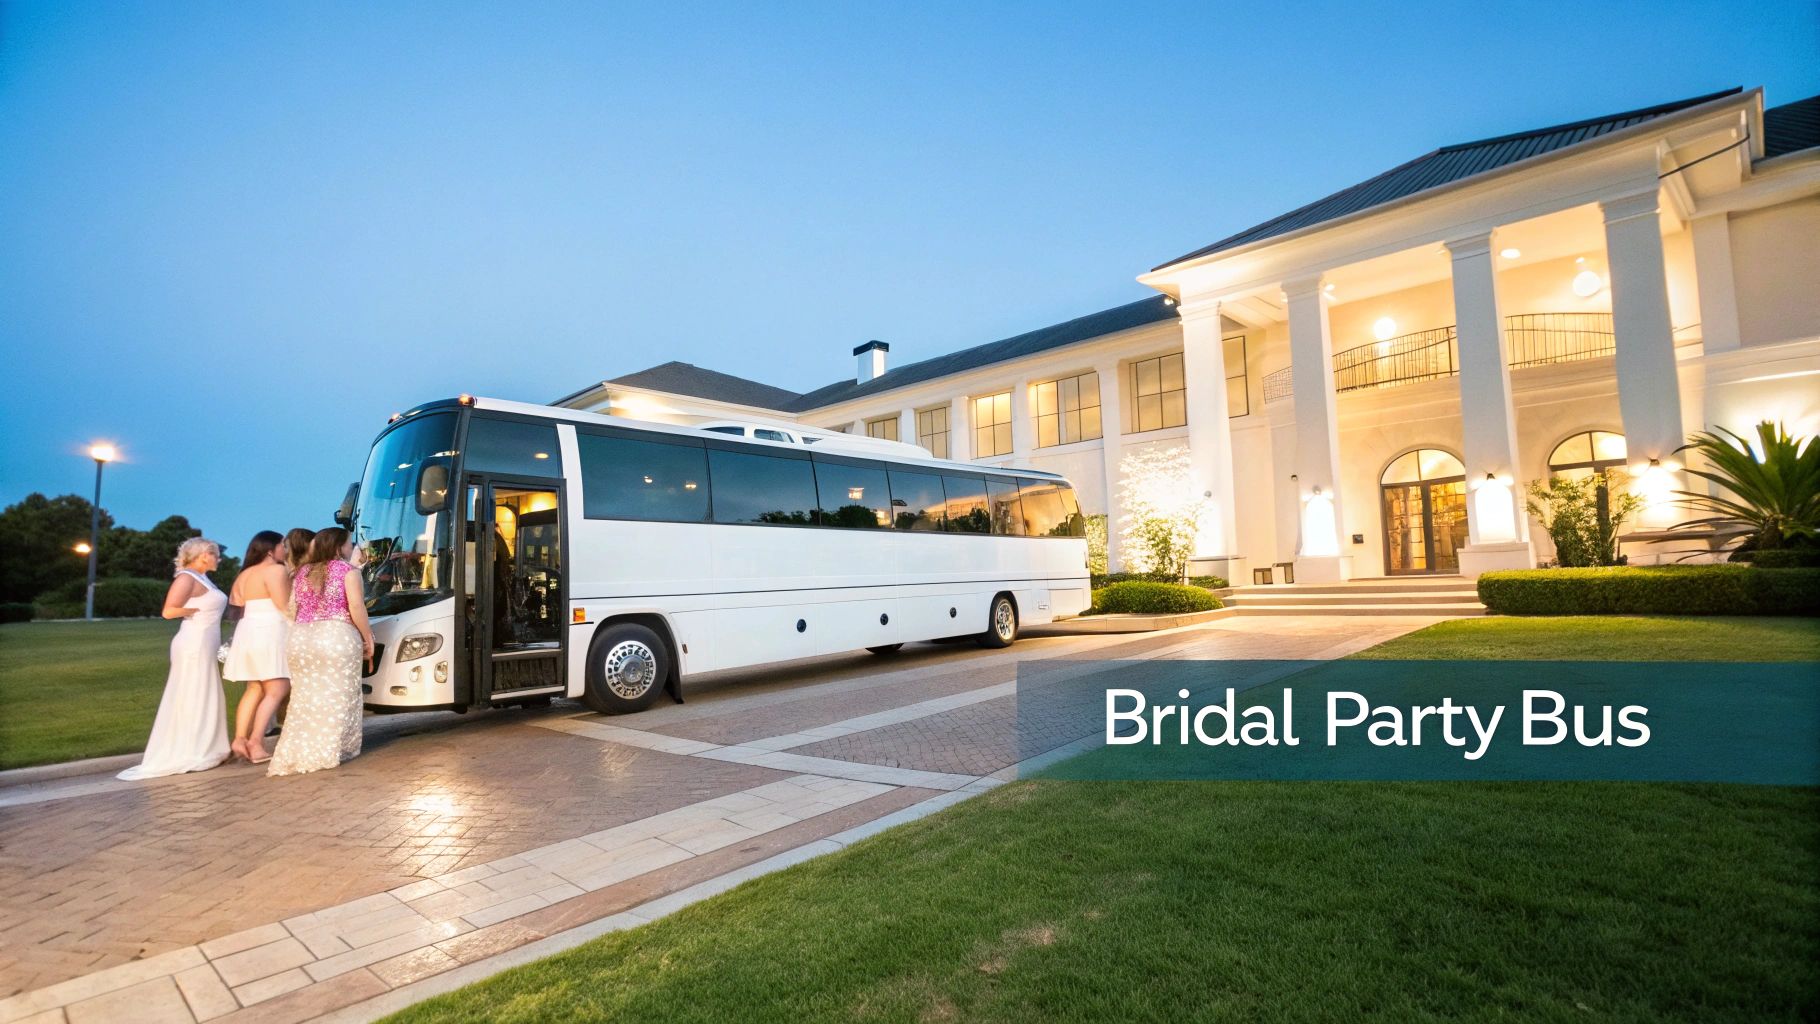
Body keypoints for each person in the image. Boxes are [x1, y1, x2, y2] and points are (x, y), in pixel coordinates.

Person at [117, 538, 231, 780]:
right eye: (215, 555)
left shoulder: (201, 578)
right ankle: (192, 748)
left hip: (205, 641)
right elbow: (169, 611)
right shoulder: (186, 577)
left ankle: (206, 745)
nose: (218, 559)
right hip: (194, 642)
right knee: (193, 691)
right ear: (203, 555)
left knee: (204, 691)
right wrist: (195, 611)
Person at [268, 527, 372, 777]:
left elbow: (294, 608)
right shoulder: (349, 572)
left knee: (305, 697)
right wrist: (367, 636)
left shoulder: (302, 572)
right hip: (335, 635)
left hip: (301, 638)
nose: (351, 548)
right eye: (349, 544)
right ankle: (328, 750)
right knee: (337, 694)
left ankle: (298, 750)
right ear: (338, 547)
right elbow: (356, 606)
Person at [225, 531, 291, 764]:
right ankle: (256, 741)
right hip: (270, 630)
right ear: (270, 550)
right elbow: (283, 605)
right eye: (283, 545)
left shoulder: (244, 574)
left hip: (248, 630)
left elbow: (237, 604)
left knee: (254, 688)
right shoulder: (276, 570)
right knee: (277, 689)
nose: (286, 549)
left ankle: (239, 739)